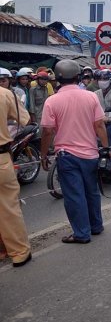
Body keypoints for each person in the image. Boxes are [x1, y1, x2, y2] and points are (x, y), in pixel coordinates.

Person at [40, 59, 109, 244]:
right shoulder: (91, 96)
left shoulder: (52, 101)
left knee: (74, 195)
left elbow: (47, 131)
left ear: (57, 79)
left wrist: (43, 154)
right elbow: (100, 125)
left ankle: (81, 233)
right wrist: (105, 147)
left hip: (67, 155)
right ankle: (96, 226)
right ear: (78, 77)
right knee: (91, 192)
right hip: (91, 153)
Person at [0, 82, 31, 266]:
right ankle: (19, 251)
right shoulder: (5, 94)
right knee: (9, 208)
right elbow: (25, 120)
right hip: (1, 158)